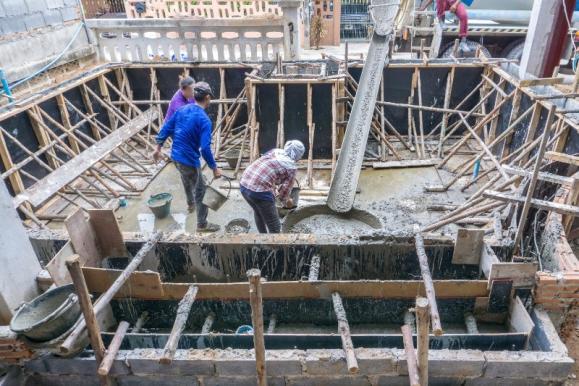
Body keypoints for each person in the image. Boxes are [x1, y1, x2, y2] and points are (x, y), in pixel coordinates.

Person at [153, 81, 222, 232]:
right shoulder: (204, 120)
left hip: (175, 156)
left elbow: (166, 128)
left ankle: (191, 204)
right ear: (208, 98)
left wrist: (157, 148)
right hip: (188, 159)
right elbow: (205, 148)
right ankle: (202, 225)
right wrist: (214, 168)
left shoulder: (182, 110)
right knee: (201, 190)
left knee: (187, 178)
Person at [240, 140, 305, 234]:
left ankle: (262, 237)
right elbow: (283, 195)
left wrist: (274, 188)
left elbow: (267, 170)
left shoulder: (275, 151)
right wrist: (288, 202)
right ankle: (274, 246)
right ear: (298, 156)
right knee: (274, 226)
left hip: (244, 183)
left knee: (258, 211)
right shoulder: (291, 167)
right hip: (259, 191)